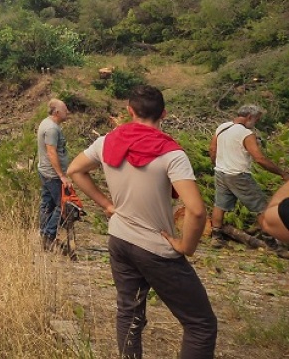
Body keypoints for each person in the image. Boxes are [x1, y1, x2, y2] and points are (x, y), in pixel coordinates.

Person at [67, 85, 216, 359]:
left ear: (129, 111)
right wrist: (186, 247)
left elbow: (75, 170)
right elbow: (196, 211)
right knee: (200, 324)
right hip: (155, 248)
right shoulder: (172, 154)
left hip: (120, 239)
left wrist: (107, 205)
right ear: (164, 114)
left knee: (129, 314)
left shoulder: (105, 142)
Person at [209, 104, 288, 246]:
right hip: (239, 175)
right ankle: (272, 243)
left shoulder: (222, 127)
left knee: (220, 205)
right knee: (262, 207)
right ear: (250, 117)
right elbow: (259, 158)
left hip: (221, 173)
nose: (255, 123)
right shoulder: (246, 134)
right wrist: (281, 173)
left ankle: (216, 236)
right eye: (256, 119)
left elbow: (212, 149)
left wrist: (217, 164)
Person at [37, 99, 72, 251]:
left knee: (47, 204)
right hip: (52, 175)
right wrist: (62, 176)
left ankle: (44, 237)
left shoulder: (47, 123)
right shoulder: (51, 129)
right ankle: (49, 236)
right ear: (57, 112)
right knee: (64, 205)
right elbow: (51, 153)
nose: (68, 112)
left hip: (45, 171)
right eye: (65, 110)